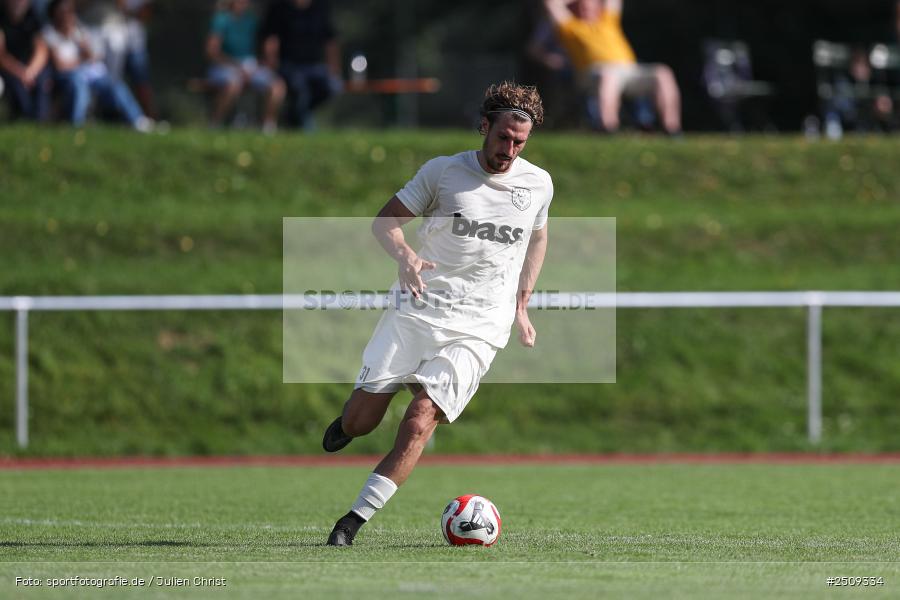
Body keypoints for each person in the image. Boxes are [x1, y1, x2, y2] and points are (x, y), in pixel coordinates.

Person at [320, 82, 553, 546]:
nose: (510, 149)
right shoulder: (444, 173)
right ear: (484, 127)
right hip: (419, 309)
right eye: (503, 137)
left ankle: (351, 523)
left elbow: (538, 239)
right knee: (362, 420)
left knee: (420, 418)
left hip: (481, 326)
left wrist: (521, 306)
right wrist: (405, 255)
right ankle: (350, 423)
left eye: (519, 142)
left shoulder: (538, 184)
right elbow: (384, 222)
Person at [543, 0, 681, 134]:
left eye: (591, 4)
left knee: (663, 73)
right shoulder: (569, 27)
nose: (587, 8)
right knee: (608, 74)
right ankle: (608, 127)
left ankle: (671, 128)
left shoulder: (608, 21)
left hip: (629, 71)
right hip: (593, 74)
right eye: (582, 6)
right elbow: (551, 3)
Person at [43, 0, 151, 130]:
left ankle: (138, 120)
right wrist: (80, 60)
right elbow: (60, 65)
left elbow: (93, 56)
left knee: (114, 83)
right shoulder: (50, 33)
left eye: (70, 12)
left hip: (87, 73)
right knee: (79, 84)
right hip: (68, 76)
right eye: (64, 12)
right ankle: (76, 124)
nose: (68, 16)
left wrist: (81, 43)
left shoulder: (77, 31)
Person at [259, 0, 340, 129]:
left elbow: (330, 40)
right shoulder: (279, 8)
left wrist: (334, 66)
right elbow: (271, 39)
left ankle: (293, 117)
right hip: (288, 65)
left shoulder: (320, 8)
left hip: (314, 65)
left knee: (334, 86)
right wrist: (271, 63)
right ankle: (307, 128)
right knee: (301, 87)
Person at [206, 0, 285, 133]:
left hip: (250, 67)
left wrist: (262, 63)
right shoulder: (221, 20)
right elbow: (212, 52)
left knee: (277, 86)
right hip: (225, 67)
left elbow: (265, 47)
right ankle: (215, 124)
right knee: (233, 85)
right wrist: (237, 67)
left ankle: (268, 128)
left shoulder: (251, 21)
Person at [0, 0, 51, 121]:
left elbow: (41, 49)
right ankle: (25, 118)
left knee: (43, 80)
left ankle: (40, 121)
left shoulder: (33, 16)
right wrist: (21, 73)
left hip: (31, 65)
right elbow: (1, 55)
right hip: (10, 67)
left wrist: (30, 71)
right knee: (17, 86)